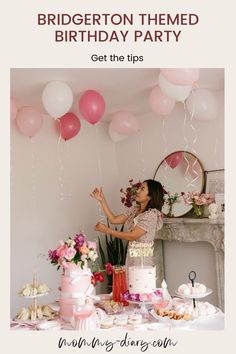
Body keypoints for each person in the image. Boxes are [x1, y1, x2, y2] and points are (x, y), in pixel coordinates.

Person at [90, 179, 164, 266]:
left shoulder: (151, 215)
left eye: (142, 189)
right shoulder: (134, 210)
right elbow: (113, 219)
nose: (138, 190)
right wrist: (102, 200)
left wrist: (107, 230)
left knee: (139, 278)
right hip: (131, 259)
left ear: (150, 196)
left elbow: (133, 236)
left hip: (143, 262)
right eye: (139, 188)